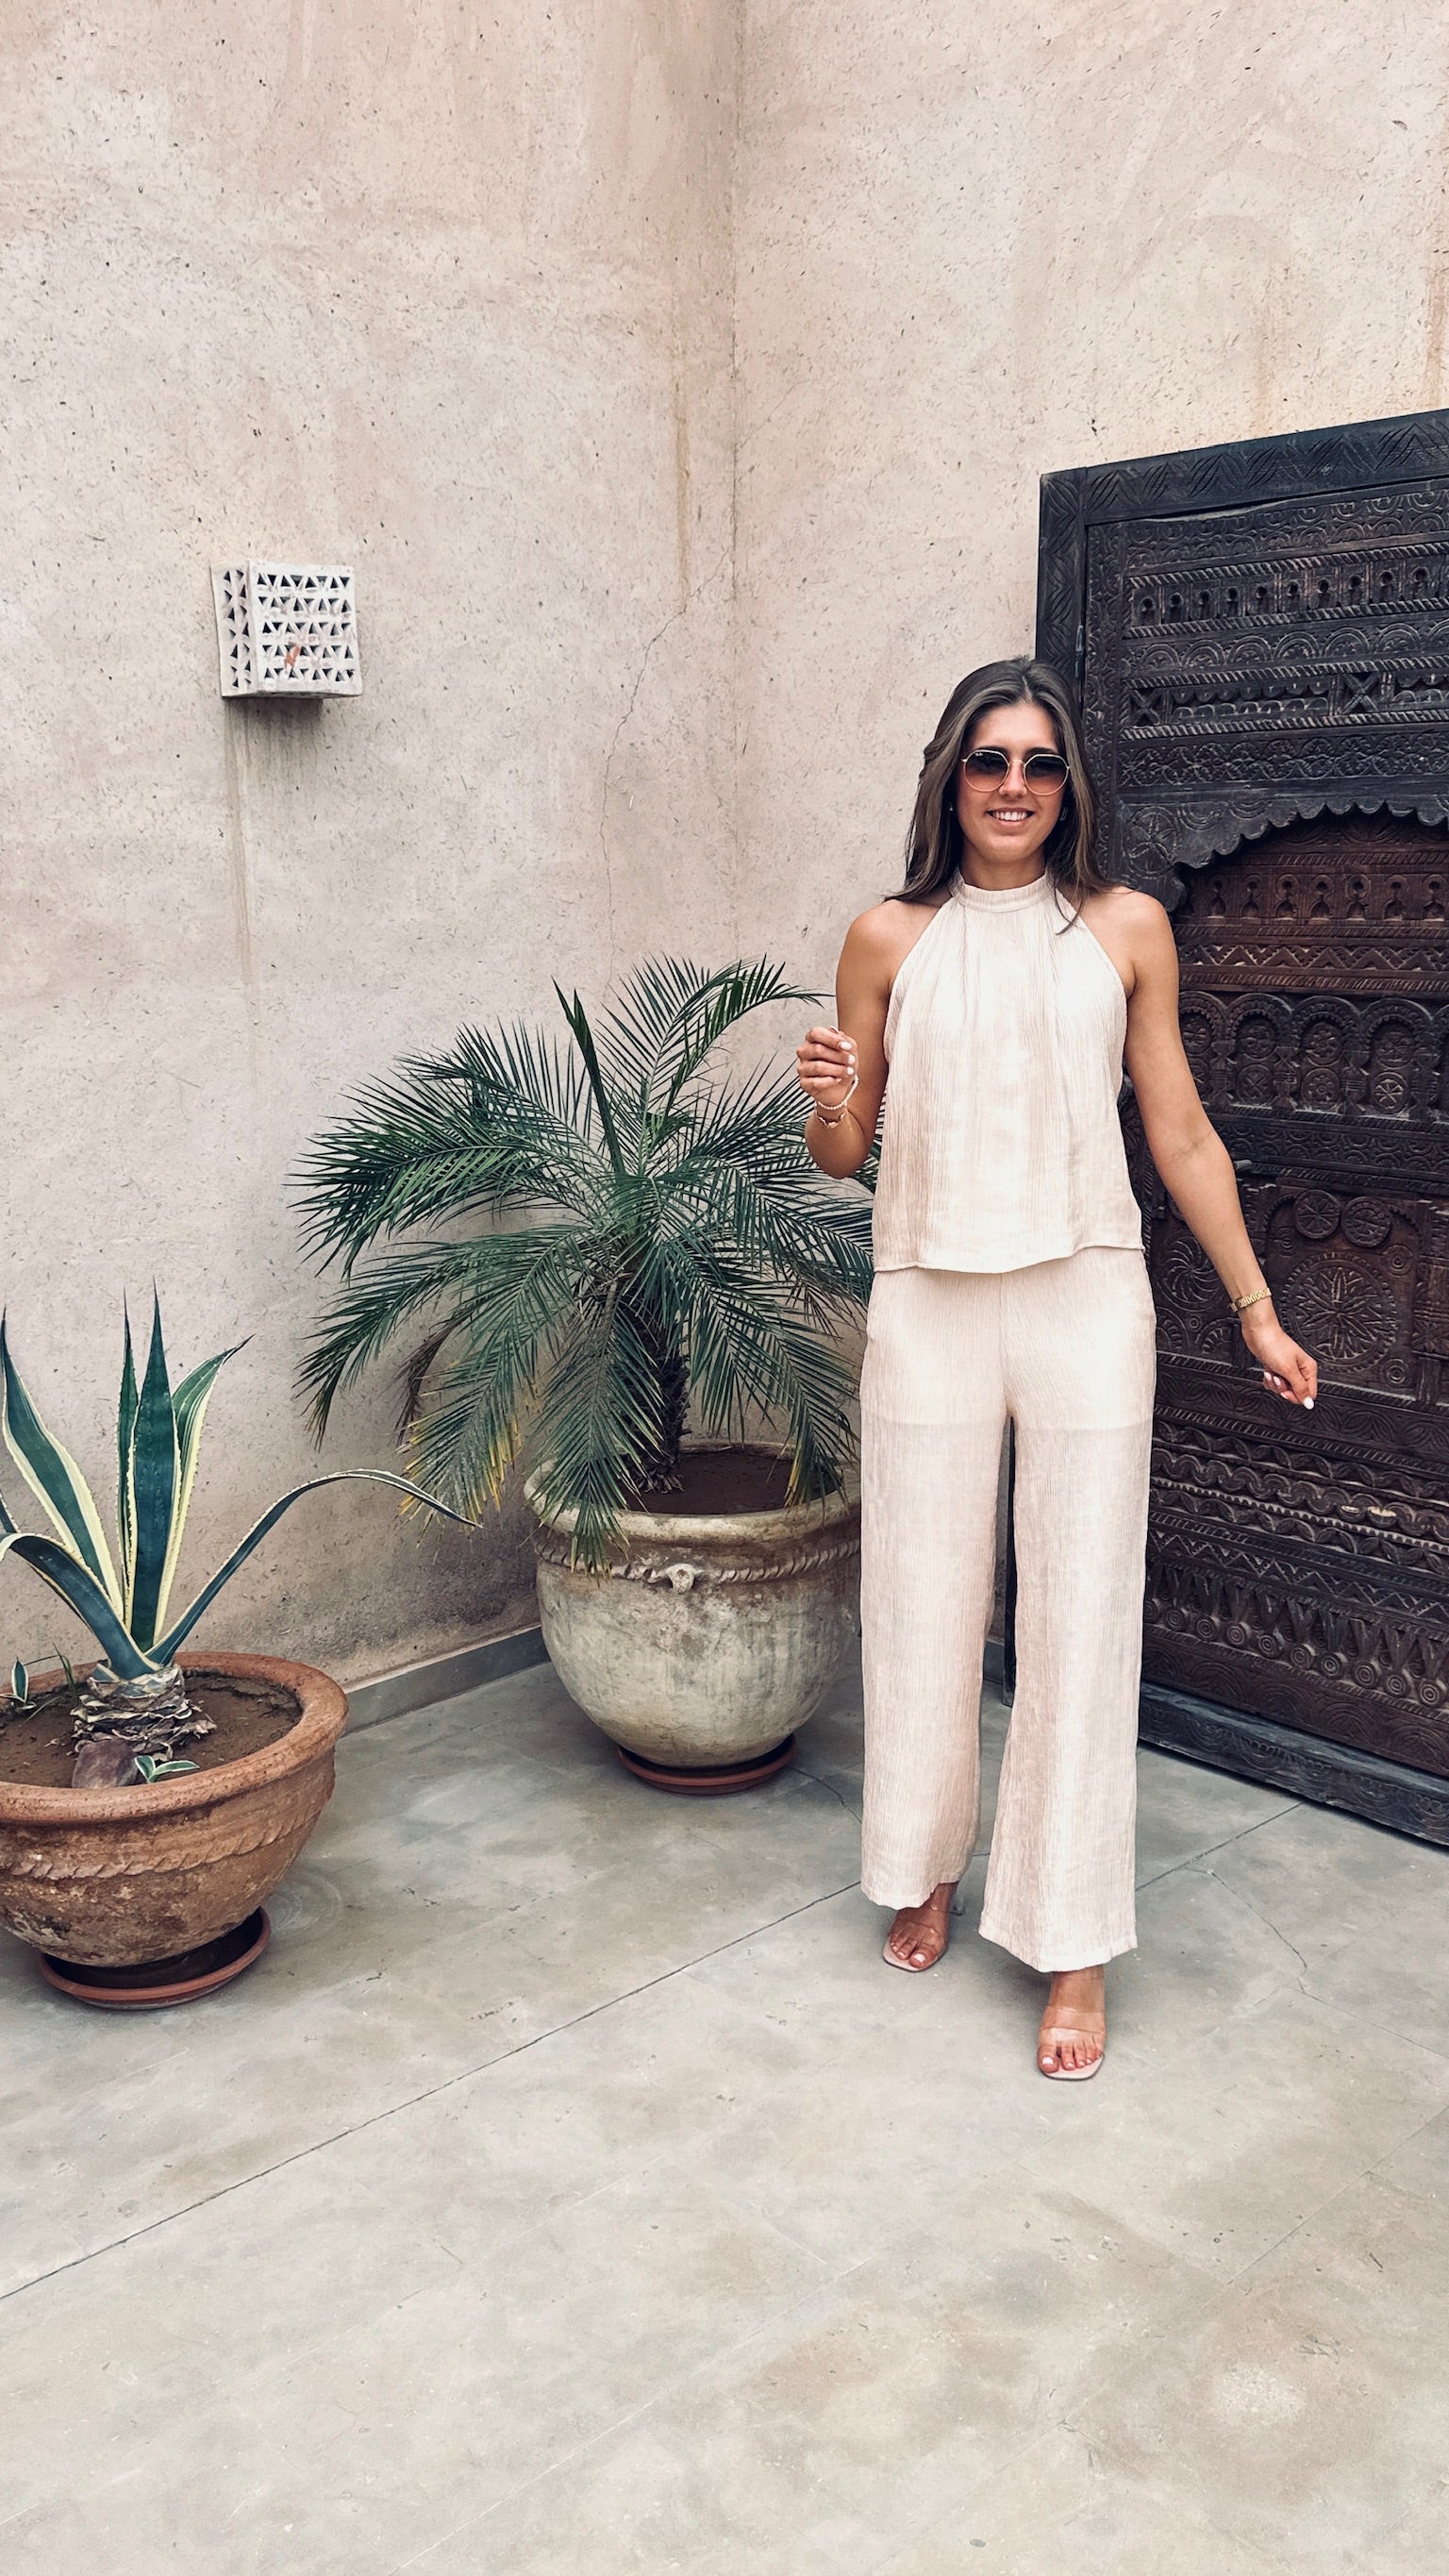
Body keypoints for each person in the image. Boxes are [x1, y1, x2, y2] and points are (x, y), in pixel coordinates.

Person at [797, 657, 1317, 2080]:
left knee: (1084, 1612)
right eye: (989, 760)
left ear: (1068, 784)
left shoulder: (1125, 928)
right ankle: (923, 1862)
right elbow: (845, 1154)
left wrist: (1255, 1309)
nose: (1014, 785)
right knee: (921, 1596)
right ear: (949, 779)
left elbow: (1181, 1132)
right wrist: (829, 1104)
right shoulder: (887, 937)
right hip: (929, 1298)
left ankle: (1072, 1935)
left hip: (1087, 1295)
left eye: (1038, 762)